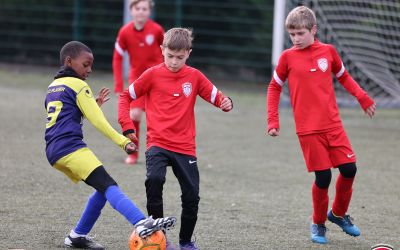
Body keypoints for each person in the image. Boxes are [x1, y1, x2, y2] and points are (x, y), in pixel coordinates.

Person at [44, 41, 176, 249]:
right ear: (69, 61)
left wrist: (91, 105)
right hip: (70, 147)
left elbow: (66, 117)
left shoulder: (54, 86)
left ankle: (77, 235)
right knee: (109, 186)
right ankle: (141, 222)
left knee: (101, 189)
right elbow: (99, 122)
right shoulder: (79, 85)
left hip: (53, 149)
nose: (89, 69)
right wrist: (123, 142)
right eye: (85, 64)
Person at [267, 6, 376, 245]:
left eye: (300, 33)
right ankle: (318, 223)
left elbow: (344, 76)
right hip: (308, 130)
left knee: (350, 169)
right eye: (292, 34)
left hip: (333, 125)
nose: (295, 39)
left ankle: (337, 214)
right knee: (323, 177)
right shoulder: (287, 57)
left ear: (313, 30)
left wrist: (363, 97)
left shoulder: (328, 52)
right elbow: (274, 87)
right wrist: (273, 120)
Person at [118, 28, 233, 250]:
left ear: (188, 53)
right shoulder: (151, 75)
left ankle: (186, 242)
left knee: (192, 196)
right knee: (154, 180)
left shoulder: (195, 76)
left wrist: (226, 102)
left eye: (179, 57)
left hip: (185, 147)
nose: (173, 61)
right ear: (162, 50)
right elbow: (125, 97)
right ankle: (158, 236)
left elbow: (216, 96)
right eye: (169, 56)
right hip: (157, 143)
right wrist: (127, 125)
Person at [112, 0, 164, 165]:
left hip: (157, 78)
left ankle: (161, 154)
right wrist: (119, 84)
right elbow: (117, 57)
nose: (141, 12)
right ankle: (133, 153)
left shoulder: (157, 30)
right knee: (134, 114)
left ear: (149, 11)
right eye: (138, 8)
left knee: (158, 118)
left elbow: (168, 51)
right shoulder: (125, 32)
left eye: (144, 9)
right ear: (131, 10)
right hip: (138, 79)